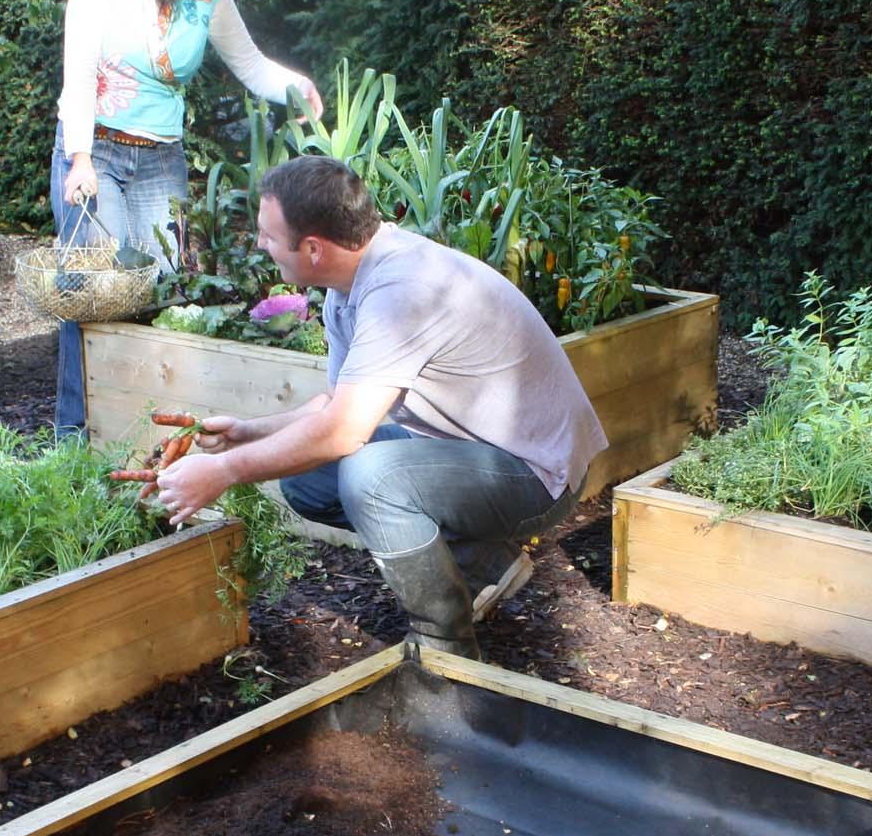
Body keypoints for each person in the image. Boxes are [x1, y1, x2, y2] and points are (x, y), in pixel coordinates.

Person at [155, 155, 608, 660]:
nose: (259, 244)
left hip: (536, 475)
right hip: (472, 451)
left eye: (267, 235)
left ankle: (445, 646)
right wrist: (248, 432)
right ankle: (485, 565)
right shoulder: (347, 283)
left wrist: (221, 471)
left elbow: (342, 433)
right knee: (309, 479)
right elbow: (335, 404)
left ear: (313, 248)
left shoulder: (402, 289)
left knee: (371, 476)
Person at [50, 0, 322, 437]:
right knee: (92, 291)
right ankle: (75, 438)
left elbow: (251, 64)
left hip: (160, 158)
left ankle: (144, 436)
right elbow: (79, 72)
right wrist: (79, 158)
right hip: (95, 150)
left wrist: (297, 86)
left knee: (163, 289)